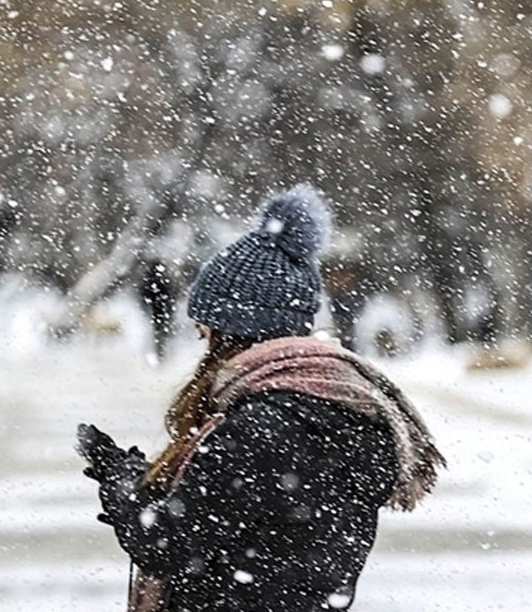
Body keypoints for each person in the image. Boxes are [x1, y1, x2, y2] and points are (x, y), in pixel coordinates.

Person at [77, 186, 444, 612]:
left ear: (234, 329)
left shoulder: (260, 429)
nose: (203, 341)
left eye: (207, 330)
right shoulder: (345, 408)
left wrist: (122, 481)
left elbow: (168, 545)